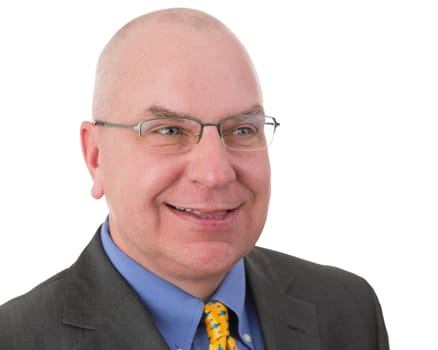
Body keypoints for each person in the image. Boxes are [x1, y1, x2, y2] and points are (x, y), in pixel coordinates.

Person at [0, 8, 389, 350]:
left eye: (241, 130)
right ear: (96, 156)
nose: (216, 173)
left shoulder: (349, 310)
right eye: (169, 131)